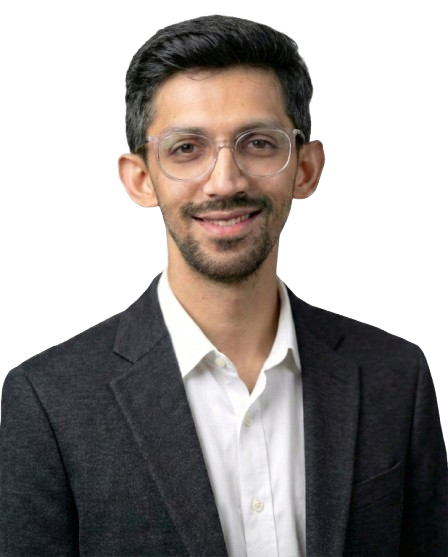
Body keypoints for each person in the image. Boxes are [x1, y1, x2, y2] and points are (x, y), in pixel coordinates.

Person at [1, 14, 446, 557]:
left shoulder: (395, 374)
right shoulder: (49, 399)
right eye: (186, 148)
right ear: (139, 179)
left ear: (306, 168)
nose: (225, 181)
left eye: (257, 143)